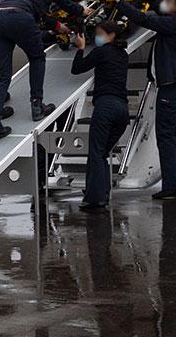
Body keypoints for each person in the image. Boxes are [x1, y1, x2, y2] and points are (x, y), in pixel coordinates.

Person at [109, 0, 176, 199]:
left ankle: (170, 187)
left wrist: (119, 0)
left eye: (170, 1)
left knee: (166, 137)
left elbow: (143, 18)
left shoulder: (173, 25)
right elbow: (157, 5)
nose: (165, 3)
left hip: (173, 88)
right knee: (175, 135)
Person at [0, 0, 90, 144]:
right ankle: (37, 105)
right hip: (19, 17)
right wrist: (83, 10)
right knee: (37, 58)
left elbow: (41, 14)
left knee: (2, 74)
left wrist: (58, 27)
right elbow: (68, 6)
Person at [70, 20, 130, 211]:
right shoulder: (124, 54)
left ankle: (95, 200)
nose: (97, 37)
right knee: (103, 153)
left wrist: (80, 48)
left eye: (100, 33)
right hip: (122, 109)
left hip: (106, 106)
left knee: (96, 153)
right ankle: (102, 193)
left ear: (111, 35)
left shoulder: (102, 52)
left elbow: (77, 68)